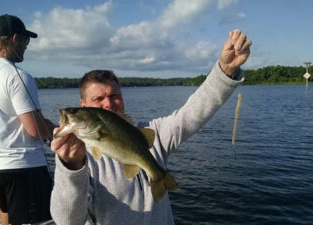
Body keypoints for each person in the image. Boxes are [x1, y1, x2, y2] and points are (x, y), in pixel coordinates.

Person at [50, 29, 251, 225]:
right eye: (98, 99)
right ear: (84, 106)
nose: (108, 104)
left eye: (114, 96)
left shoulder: (153, 132)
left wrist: (226, 70)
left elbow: (192, 114)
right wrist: (71, 167)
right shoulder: (79, 158)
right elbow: (67, 221)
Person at [0, 14, 55, 225]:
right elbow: (35, 128)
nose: (26, 46)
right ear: (15, 39)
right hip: (21, 168)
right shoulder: (17, 75)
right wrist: (65, 131)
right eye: (25, 41)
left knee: (5, 209)